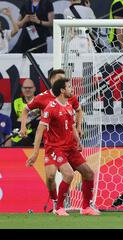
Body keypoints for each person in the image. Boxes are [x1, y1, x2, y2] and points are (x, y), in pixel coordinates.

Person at [26, 78, 99, 216]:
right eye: (69, 87)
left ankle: (85, 208)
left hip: (70, 148)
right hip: (56, 148)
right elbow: (40, 130)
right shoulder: (51, 108)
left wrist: (78, 141)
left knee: (89, 173)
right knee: (67, 174)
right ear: (62, 90)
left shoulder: (69, 106)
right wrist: (35, 153)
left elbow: (71, 126)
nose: (72, 89)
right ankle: (59, 207)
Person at [19, 69, 84, 211]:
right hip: (51, 144)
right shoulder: (42, 98)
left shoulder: (69, 96)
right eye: (60, 79)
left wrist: (79, 127)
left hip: (68, 143)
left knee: (82, 172)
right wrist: (23, 127)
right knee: (50, 177)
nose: (65, 83)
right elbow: (25, 110)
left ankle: (83, 204)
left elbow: (79, 110)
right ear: (53, 81)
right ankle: (56, 201)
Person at [10, 79, 39, 147]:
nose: (27, 90)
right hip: (17, 139)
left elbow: (40, 123)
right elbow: (13, 122)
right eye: (25, 88)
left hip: (34, 138)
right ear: (22, 89)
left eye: (30, 88)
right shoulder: (16, 102)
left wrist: (21, 119)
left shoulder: (40, 101)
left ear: (34, 89)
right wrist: (32, 116)